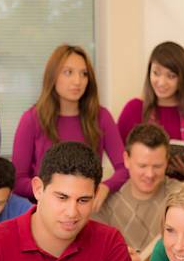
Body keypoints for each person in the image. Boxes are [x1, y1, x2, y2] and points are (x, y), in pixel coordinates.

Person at [0, 141, 134, 261]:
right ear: (38, 189)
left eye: (83, 200)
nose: (72, 212)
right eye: (62, 197)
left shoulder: (110, 245)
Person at [12, 45, 128, 211]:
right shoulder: (32, 119)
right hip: (44, 212)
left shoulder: (101, 117)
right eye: (68, 72)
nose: (77, 81)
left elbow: (125, 168)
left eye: (84, 73)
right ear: (53, 76)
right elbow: (17, 180)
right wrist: (54, 192)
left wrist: (105, 187)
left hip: (86, 211)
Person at [117, 41, 184, 181]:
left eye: (171, 76)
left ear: (182, 78)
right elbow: (120, 162)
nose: (161, 82)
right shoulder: (133, 109)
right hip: (145, 194)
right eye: (156, 73)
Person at [94, 123, 179, 261]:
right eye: (142, 166)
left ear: (167, 162)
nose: (150, 174)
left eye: (157, 166)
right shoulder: (105, 202)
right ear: (126, 160)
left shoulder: (180, 195)